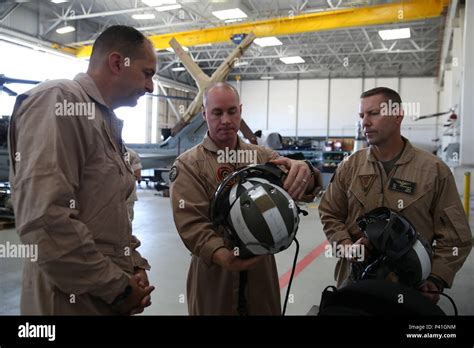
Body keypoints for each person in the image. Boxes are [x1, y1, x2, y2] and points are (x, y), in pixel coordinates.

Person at [9, 25, 156, 315]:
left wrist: (134, 265)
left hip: (102, 298)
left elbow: (111, 215)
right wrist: (118, 287)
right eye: (147, 73)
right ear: (117, 63)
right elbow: (45, 221)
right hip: (68, 301)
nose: (150, 87)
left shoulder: (103, 121)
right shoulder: (60, 101)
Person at [169, 82, 322, 315]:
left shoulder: (261, 156)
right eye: (217, 113)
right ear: (204, 114)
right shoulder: (189, 165)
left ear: (240, 111)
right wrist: (221, 255)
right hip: (214, 272)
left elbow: (306, 183)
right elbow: (191, 223)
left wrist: (305, 170)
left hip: (260, 271)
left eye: (232, 111)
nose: (226, 120)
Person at [319, 87, 472, 304]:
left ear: (398, 115)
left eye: (373, 113)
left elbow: (456, 237)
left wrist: (437, 278)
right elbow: (330, 213)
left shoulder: (434, 171)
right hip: (354, 285)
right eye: (362, 115)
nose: (365, 122)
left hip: (411, 290)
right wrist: (346, 245)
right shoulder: (349, 167)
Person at [125, 147, 142, 223]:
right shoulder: (132, 154)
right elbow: (138, 175)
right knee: (127, 220)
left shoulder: (104, 152)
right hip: (128, 195)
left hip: (109, 196)